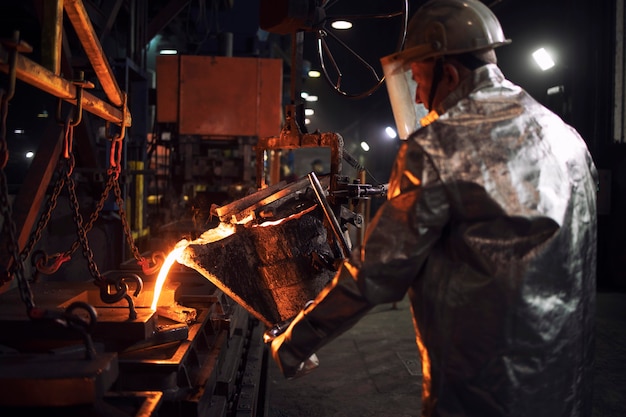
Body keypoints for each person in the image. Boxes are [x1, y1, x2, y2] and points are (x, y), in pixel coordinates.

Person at [267, 1, 598, 416]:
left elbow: (377, 273)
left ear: (451, 73)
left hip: (480, 387)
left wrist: (296, 340)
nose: (419, 96)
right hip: (565, 383)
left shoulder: (438, 146)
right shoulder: (567, 138)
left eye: (420, 81)